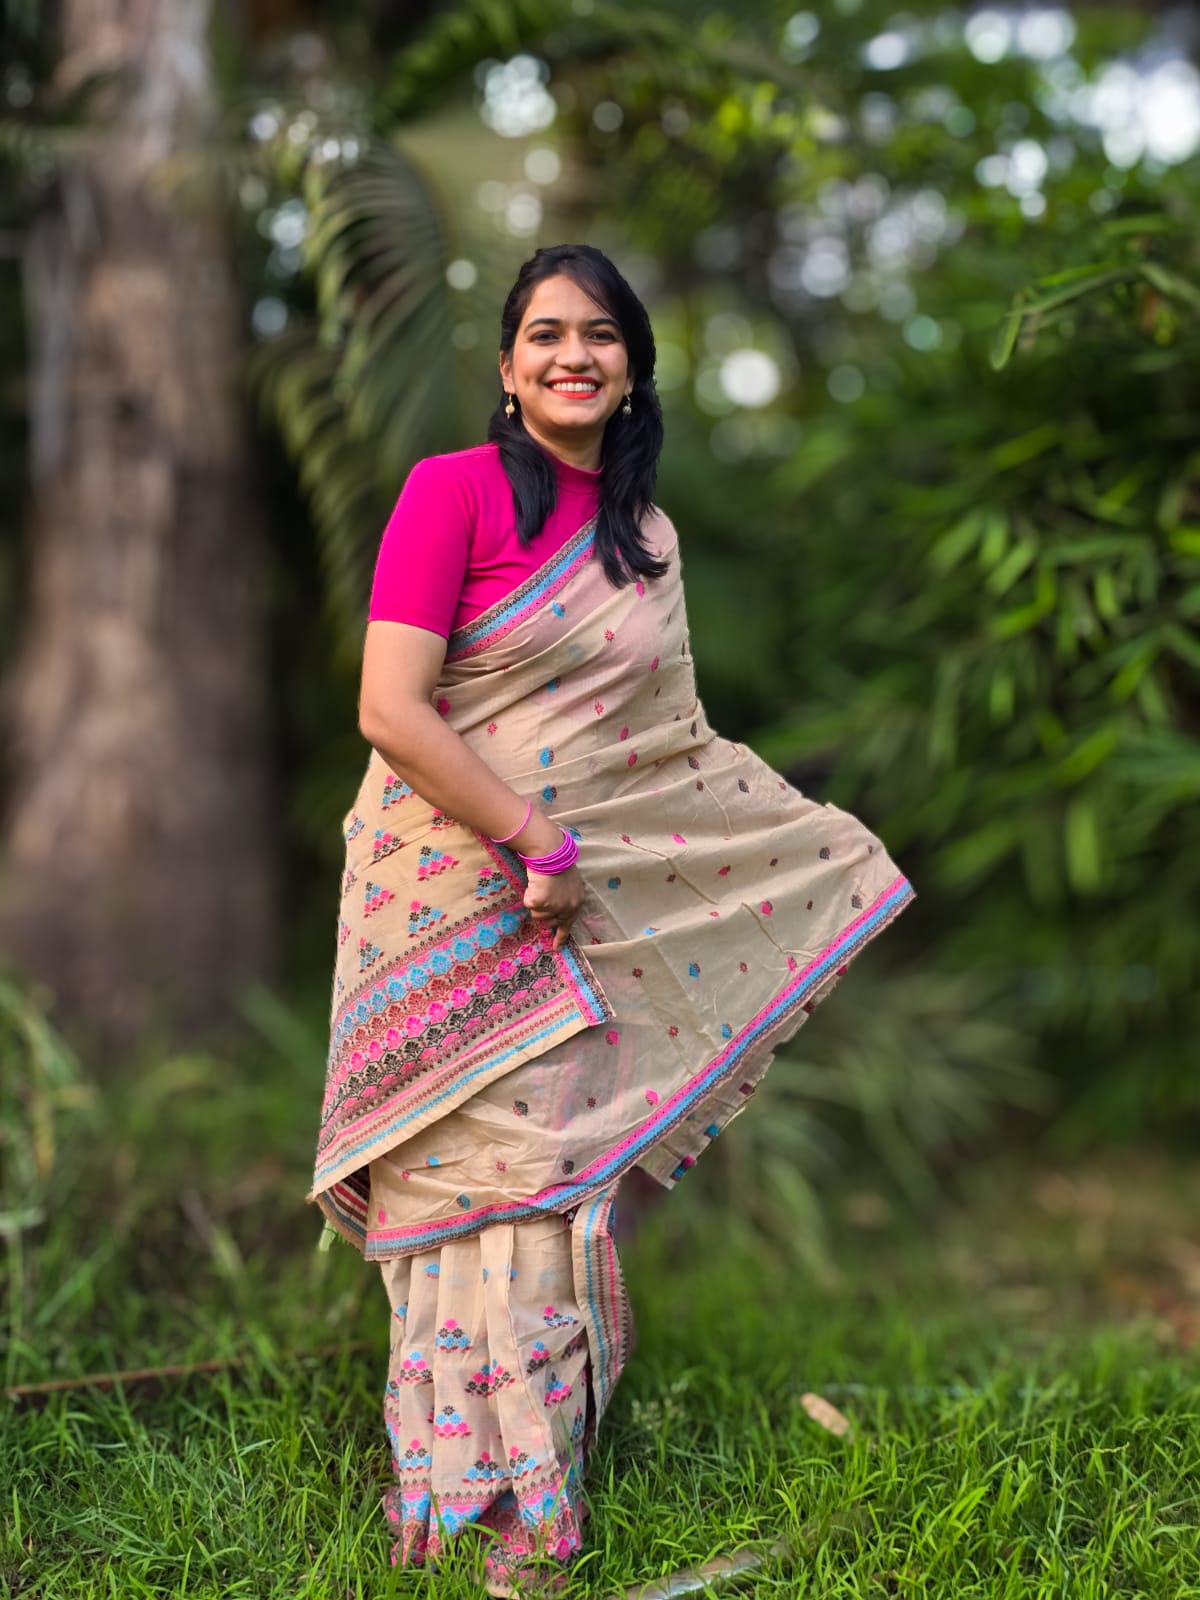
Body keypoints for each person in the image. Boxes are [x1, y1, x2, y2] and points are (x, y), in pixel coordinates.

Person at [307, 243, 915, 1596]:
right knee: (464, 1187)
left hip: (568, 895)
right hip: (447, 885)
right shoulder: (450, 493)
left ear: (633, 363)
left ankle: (537, 1508)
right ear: (509, 367)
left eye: (598, 335)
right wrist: (531, 841)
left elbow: (664, 746)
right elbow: (392, 709)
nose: (571, 355)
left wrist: (786, 838)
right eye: (542, 335)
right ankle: (456, 1495)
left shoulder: (644, 536)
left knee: (553, 1188)